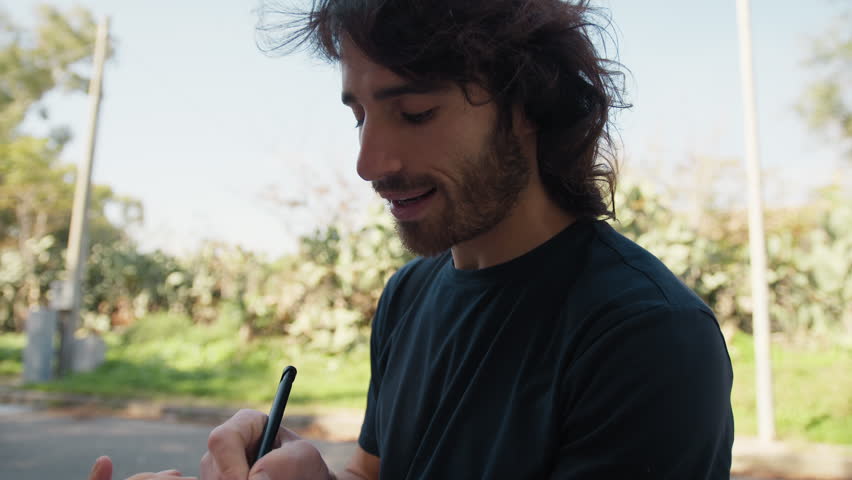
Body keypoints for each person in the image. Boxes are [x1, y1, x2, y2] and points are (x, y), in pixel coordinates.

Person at [89, 0, 734, 478]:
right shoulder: (409, 294)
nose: (369, 163)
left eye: (416, 113)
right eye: (360, 115)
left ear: (528, 106)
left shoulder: (647, 338)